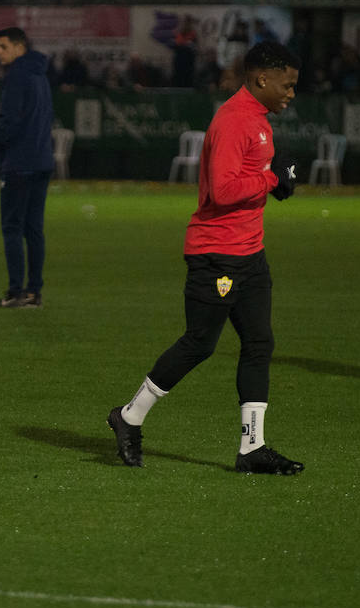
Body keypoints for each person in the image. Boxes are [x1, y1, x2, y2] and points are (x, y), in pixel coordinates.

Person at [107, 41, 304, 475]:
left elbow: (248, 183)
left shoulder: (259, 120)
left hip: (250, 254)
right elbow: (223, 190)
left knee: (259, 344)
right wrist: (272, 178)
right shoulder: (234, 120)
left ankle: (252, 448)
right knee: (199, 344)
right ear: (261, 78)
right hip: (216, 256)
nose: (291, 93)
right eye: (287, 85)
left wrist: (274, 183)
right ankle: (129, 416)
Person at [0, 26, 54, 308]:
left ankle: (16, 291)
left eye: (3, 47)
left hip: (19, 162)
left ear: (19, 47)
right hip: (42, 160)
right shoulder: (40, 75)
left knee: (12, 228)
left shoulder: (16, 75)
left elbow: (10, 122)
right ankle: (34, 292)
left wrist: (0, 146)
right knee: (34, 229)